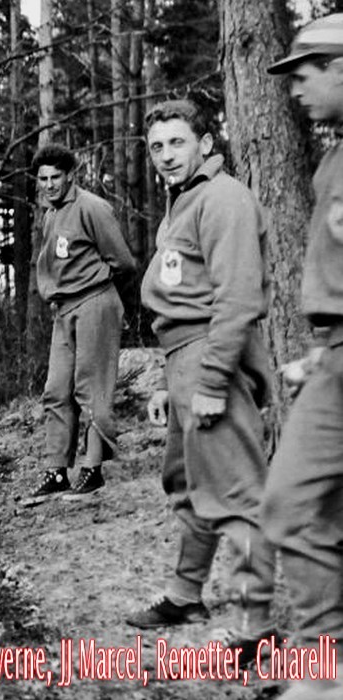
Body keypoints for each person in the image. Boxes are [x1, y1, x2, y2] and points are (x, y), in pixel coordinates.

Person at [125, 100, 276, 663]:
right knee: (187, 485)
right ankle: (186, 596)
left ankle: (255, 623)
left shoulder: (223, 198)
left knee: (236, 495)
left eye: (178, 143)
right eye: (157, 146)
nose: (166, 155)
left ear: (206, 144)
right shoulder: (184, 202)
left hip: (213, 358)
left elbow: (236, 300)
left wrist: (211, 379)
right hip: (183, 361)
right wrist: (171, 380)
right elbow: (180, 298)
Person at [264, 15, 343, 698]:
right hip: (335, 358)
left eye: (307, 73)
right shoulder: (333, 161)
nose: (295, 91)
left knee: (291, 506)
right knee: (310, 512)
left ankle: (325, 673)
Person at [27, 144, 135, 502]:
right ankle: (57, 469)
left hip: (94, 303)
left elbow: (123, 261)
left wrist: (98, 290)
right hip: (64, 310)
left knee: (91, 388)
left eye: (56, 177)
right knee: (56, 390)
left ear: (70, 175)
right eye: (43, 179)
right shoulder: (50, 213)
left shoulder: (92, 207)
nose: (49, 184)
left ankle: (92, 467)